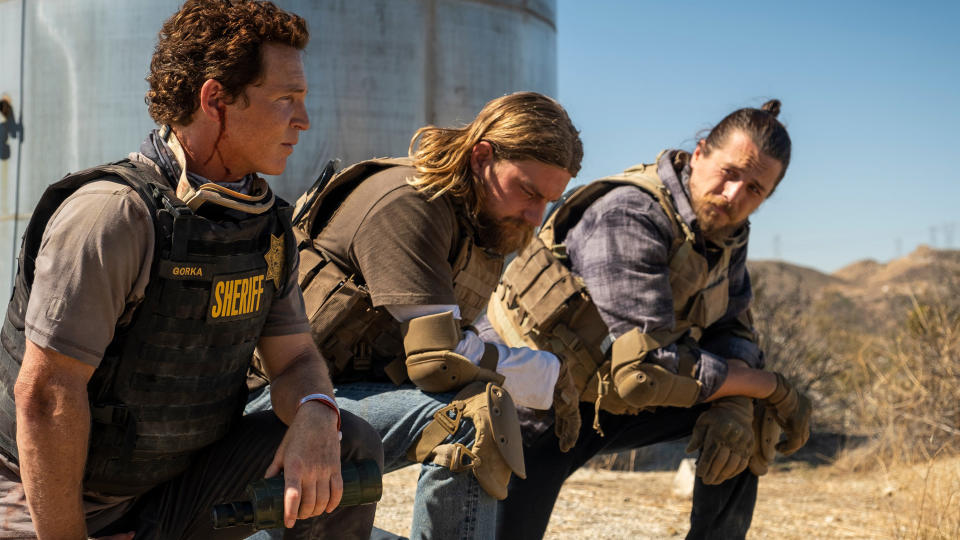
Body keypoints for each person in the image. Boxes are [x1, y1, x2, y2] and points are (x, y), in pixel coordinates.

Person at [0, 1, 382, 538]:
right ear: (215, 100)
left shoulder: (267, 225)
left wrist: (319, 412)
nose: (304, 119)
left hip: (174, 489)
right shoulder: (114, 215)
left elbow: (295, 358)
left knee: (349, 445)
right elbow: (46, 394)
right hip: (47, 503)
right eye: (285, 99)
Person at [246, 91, 583, 539]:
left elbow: (459, 340)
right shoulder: (412, 202)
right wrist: (548, 373)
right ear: (482, 155)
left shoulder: (481, 221)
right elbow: (439, 361)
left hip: (334, 400)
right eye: (527, 191)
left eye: (549, 202)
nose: (535, 216)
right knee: (473, 417)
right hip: (281, 402)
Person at [480, 99, 812, 539]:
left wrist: (734, 406)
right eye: (730, 173)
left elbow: (732, 326)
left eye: (755, 190)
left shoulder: (727, 233)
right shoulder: (630, 214)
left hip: (604, 397)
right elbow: (648, 369)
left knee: (743, 423)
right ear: (699, 154)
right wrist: (768, 385)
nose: (734, 196)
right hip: (531, 403)